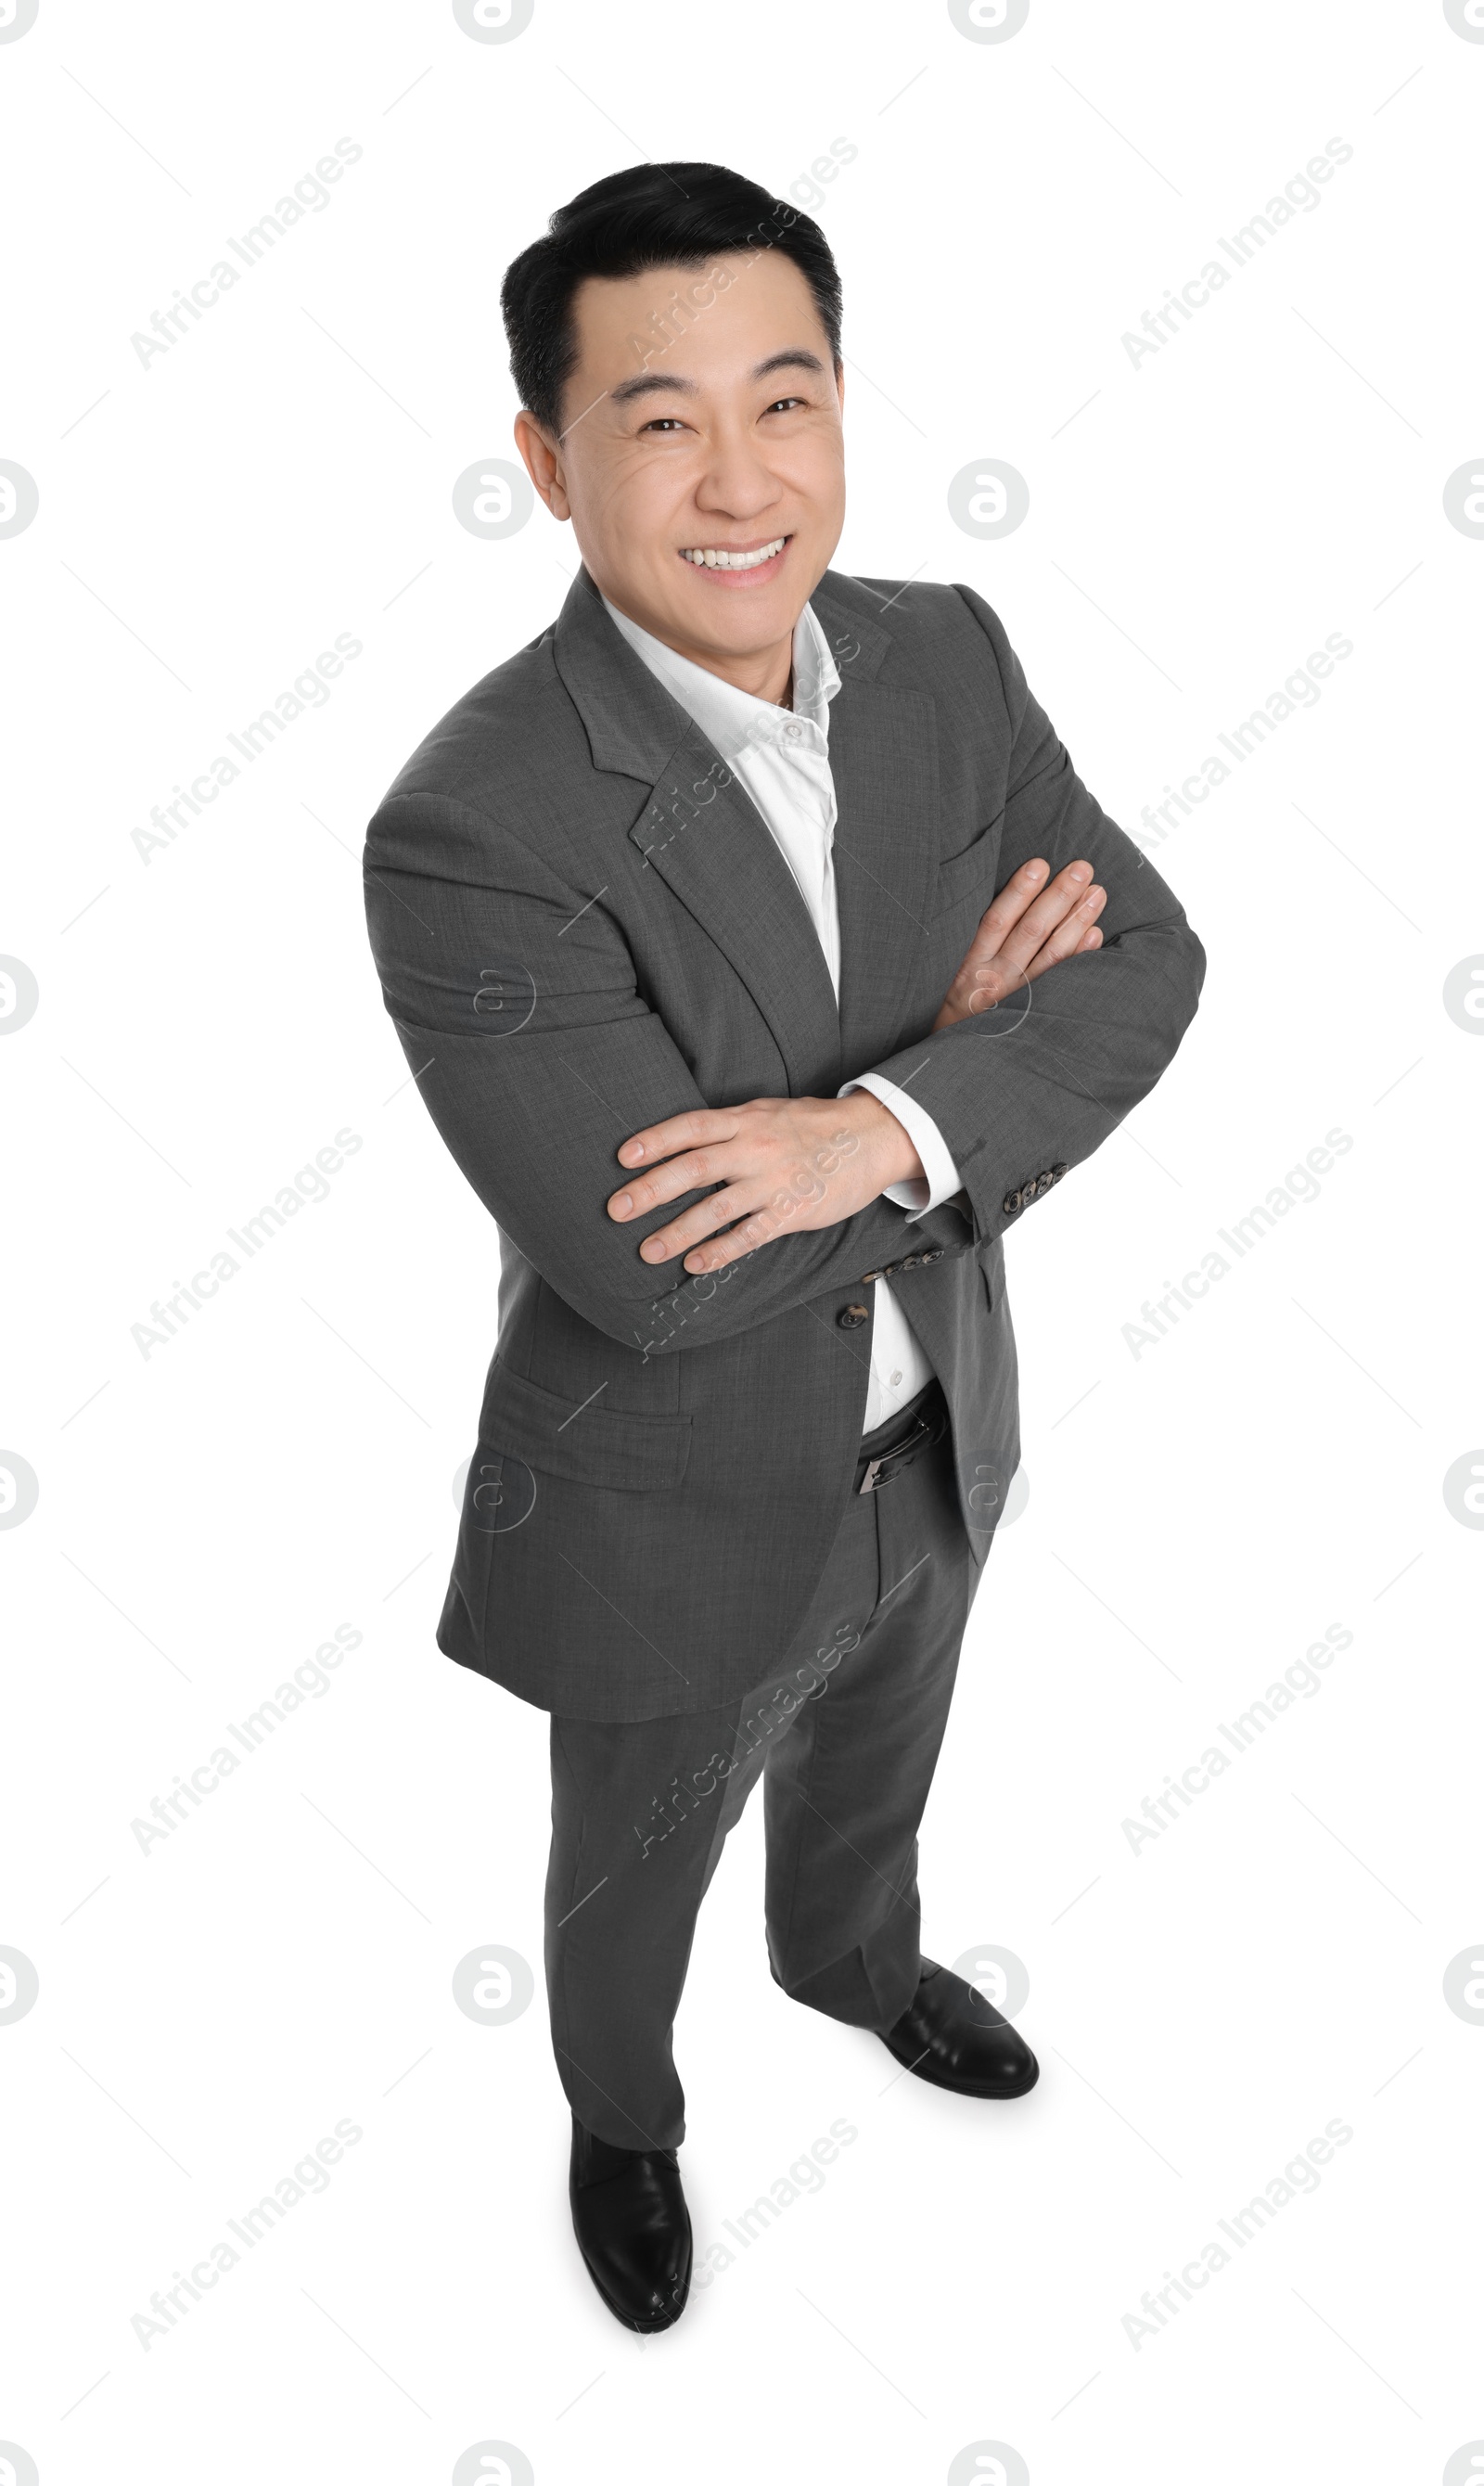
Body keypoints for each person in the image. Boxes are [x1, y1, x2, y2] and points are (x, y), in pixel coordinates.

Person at [362, 160, 1205, 2334]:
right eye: (658, 423)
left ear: (841, 408)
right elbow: (659, 1265)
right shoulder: (475, 825)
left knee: (882, 1757)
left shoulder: (944, 655)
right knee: (633, 1861)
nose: (739, 483)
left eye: (786, 401)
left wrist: (862, 1130)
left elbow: (1151, 964)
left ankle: (854, 1963)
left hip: (933, 1421)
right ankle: (619, 2113)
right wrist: (966, 1060)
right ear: (547, 461)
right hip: (668, 1496)